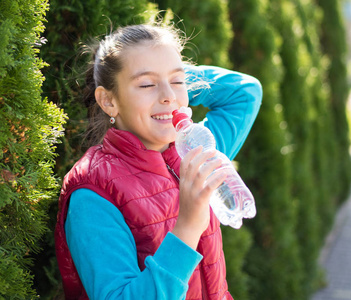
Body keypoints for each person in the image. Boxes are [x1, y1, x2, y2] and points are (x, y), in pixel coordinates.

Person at [54, 23, 262, 300]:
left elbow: (245, 92)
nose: (169, 96)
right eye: (146, 84)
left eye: (178, 82)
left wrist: (166, 77)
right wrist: (187, 227)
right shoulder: (92, 193)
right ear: (108, 101)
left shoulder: (195, 152)